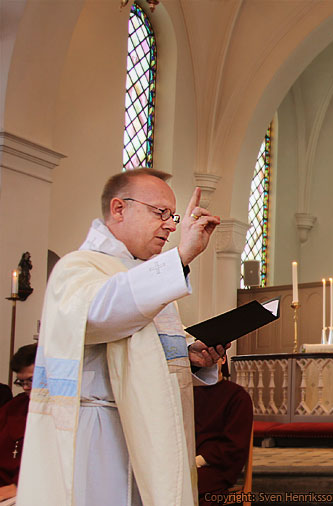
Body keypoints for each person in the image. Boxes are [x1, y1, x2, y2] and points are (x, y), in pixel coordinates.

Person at [18, 168, 227, 506]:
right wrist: (182, 257)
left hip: (152, 431)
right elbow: (101, 316)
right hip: (101, 433)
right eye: (161, 213)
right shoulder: (79, 268)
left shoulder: (146, 276)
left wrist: (192, 355)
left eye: (172, 216)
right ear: (119, 209)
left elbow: (146, 348)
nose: (171, 226)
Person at [193, 359, 252, 506]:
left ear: (223, 359)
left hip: (216, 466)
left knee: (191, 487)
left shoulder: (237, 396)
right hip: (187, 461)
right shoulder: (189, 390)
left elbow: (234, 445)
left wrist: (198, 461)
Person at [0, 344, 37, 504]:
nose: (26, 388)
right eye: (21, 382)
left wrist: (17, 485)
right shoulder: (14, 407)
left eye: (31, 380)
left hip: (27, 489)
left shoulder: (62, 411)